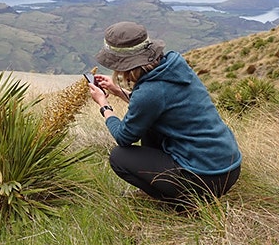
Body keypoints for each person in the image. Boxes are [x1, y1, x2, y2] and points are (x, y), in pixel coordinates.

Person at [87, 21, 241, 208]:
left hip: (205, 179)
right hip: (228, 169)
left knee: (119, 157)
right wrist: (118, 91)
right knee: (148, 126)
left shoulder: (150, 92)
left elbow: (123, 137)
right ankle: (171, 188)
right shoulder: (173, 67)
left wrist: (104, 105)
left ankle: (184, 203)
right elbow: (157, 104)